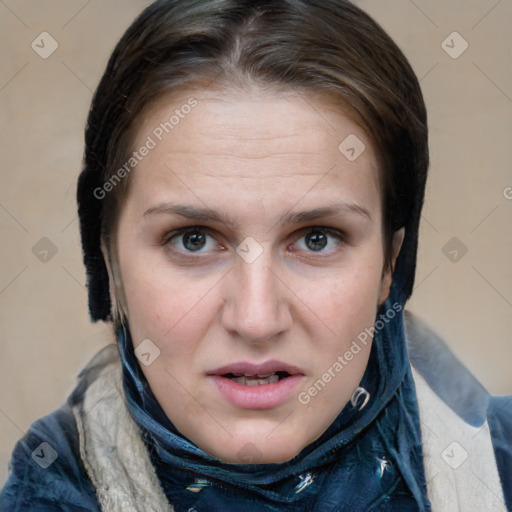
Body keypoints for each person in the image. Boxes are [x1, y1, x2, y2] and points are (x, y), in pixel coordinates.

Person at [1, 0, 510, 510]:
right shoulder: (50, 486)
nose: (257, 318)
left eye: (317, 238)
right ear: (110, 265)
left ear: (389, 267)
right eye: (193, 239)